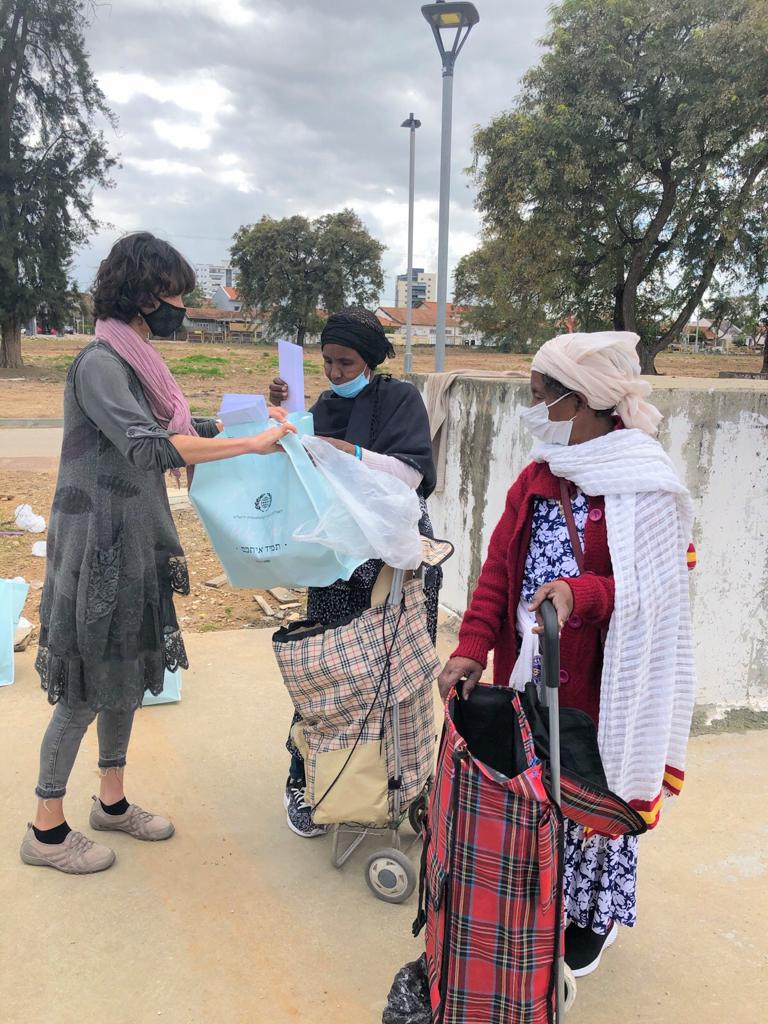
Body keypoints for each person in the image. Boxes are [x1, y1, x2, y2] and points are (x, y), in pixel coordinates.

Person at [21, 232, 294, 875]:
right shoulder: (99, 362)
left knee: (126, 678)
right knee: (85, 689)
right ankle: (46, 829)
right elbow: (147, 447)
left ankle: (111, 805)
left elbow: (168, 428)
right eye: (172, 293)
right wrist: (247, 449)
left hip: (135, 536)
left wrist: (219, 428)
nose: (179, 305)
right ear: (143, 293)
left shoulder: (136, 357)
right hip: (98, 543)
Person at [438, 331, 696, 978]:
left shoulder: (645, 481)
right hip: (532, 670)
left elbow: (662, 584)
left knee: (592, 793)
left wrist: (582, 595)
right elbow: (499, 569)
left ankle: (593, 916)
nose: (531, 412)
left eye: (537, 399)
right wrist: (472, 648)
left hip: (608, 685)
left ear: (578, 401)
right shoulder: (536, 479)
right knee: (539, 791)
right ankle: (543, 896)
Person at [269, 306, 440, 838]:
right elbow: (293, 463)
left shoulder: (400, 400)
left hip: (395, 557)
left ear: (370, 359)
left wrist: (353, 453)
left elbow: (412, 473)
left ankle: (403, 778)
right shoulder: (319, 406)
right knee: (328, 669)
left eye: (346, 362)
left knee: (398, 671)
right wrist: (283, 414)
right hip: (339, 559)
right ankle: (309, 780)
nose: (337, 373)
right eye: (328, 362)